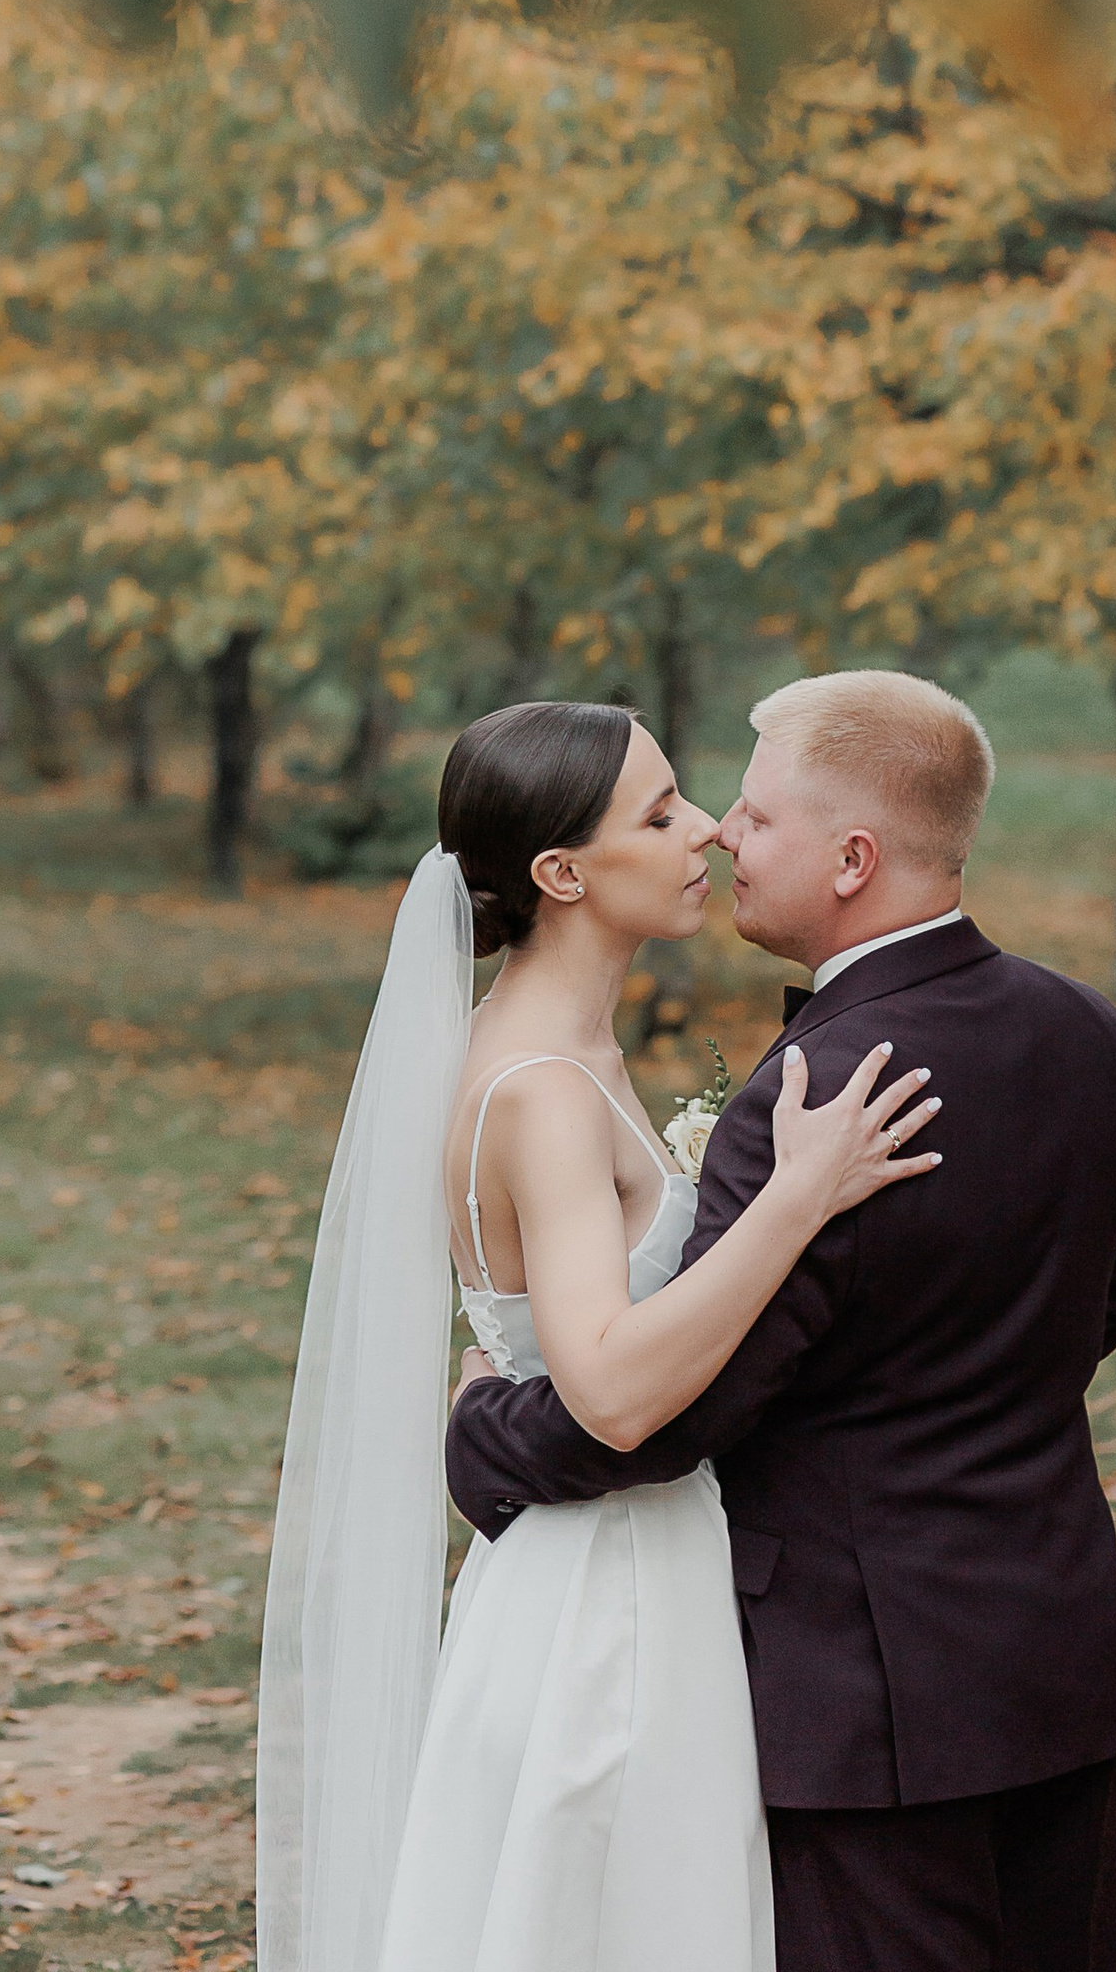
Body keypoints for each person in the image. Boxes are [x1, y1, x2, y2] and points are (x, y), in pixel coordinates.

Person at [448, 667, 1116, 1972]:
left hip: (863, 1684)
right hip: (1055, 1645)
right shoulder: (1089, 1032)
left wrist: (485, 1432)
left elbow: (682, 1412)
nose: (724, 832)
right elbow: (1101, 1310)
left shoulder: (819, 1094)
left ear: (851, 859)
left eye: (756, 816)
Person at [255, 694, 943, 1972]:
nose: (710, 830)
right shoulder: (545, 1092)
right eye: (660, 814)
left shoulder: (557, 1051)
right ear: (562, 874)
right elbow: (613, 1393)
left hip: (603, 1565)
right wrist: (795, 1198)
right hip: (608, 1599)